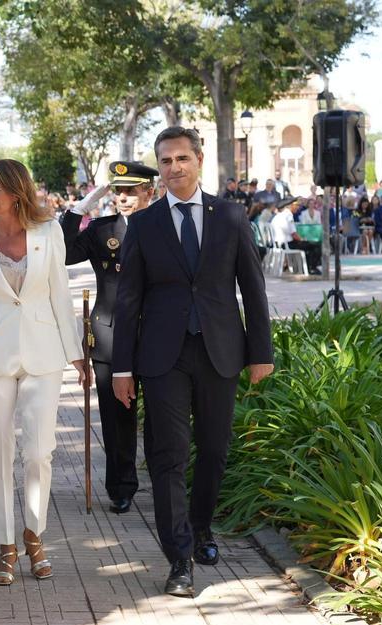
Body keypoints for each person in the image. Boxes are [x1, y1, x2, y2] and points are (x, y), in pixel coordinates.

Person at [112, 126, 274, 598]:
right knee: (168, 455)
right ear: (158, 169)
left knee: (215, 450)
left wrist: (260, 352)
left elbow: (253, 288)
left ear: (199, 160)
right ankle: (179, 557)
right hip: (163, 357)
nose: (174, 168)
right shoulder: (144, 224)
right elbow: (128, 302)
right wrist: (122, 368)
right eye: (165, 161)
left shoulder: (230, 216)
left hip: (221, 351)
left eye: (182, 158)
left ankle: (201, 526)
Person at [0, 159, 86, 586]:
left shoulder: (50, 233)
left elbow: (61, 296)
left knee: (39, 453)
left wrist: (77, 354)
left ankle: (34, 535)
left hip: (44, 356)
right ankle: (6, 546)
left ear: (16, 193)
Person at [59, 160, 158, 514]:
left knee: (161, 415)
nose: (124, 197)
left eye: (131, 190)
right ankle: (121, 486)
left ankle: (164, 484)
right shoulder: (103, 229)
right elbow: (64, 252)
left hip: (157, 334)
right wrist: (83, 205)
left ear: (150, 191)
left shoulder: (166, 224)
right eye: (118, 191)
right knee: (117, 418)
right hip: (110, 334)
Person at [271, 198, 320, 274]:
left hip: (278, 244)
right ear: (289, 206)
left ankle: (303, 267)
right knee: (315, 246)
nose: (298, 207)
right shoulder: (288, 215)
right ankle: (311, 268)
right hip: (287, 244)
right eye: (296, 205)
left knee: (308, 245)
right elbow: (294, 234)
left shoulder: (277, 216)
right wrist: (303, 239)